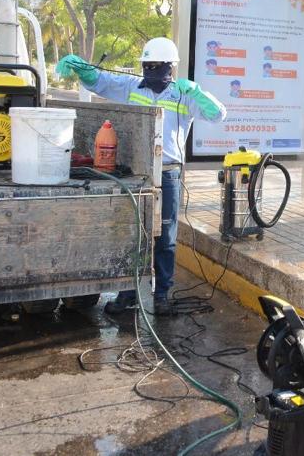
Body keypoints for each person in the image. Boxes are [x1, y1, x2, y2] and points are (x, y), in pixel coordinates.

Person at [56, 38, 227, 316]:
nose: (149, 71)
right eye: (146, 65)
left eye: (156, 66)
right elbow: (101, 81)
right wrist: (84, 70)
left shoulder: (183, 95)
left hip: (168, 173)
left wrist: (197, 93)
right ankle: (128, 293)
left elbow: (218, 114)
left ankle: (162, 294)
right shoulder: (131, 87)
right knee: (134, 234)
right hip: (137, 172)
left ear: (171, 67)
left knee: (165, 237)